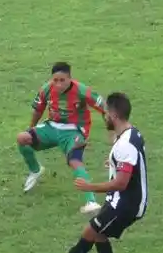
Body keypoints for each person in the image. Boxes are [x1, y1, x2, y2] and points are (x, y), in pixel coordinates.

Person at [40, 92, 148, 253]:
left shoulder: (125, 144)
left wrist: (90, 187)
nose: (104, 116)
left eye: (106, 113)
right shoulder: (132, 133)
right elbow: (133, 162)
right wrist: (115, 163)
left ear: (114, 116)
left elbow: (121, 183)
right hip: (123, 200)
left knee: (91, 231)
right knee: (99, 234)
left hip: (126, 204)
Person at [17, 62, 109, 215]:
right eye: (55, 80)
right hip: (52, 127)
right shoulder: (47, 89)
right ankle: (36, 170)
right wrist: (31, 128)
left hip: (74, 131)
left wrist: (113, 131)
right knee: (22, 138)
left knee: (75, 161)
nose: (58, 84)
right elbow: (38, 109)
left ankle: (91, 201)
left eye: (62, 80)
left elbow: (105, 108)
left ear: (70, 79)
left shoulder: (82, 91)